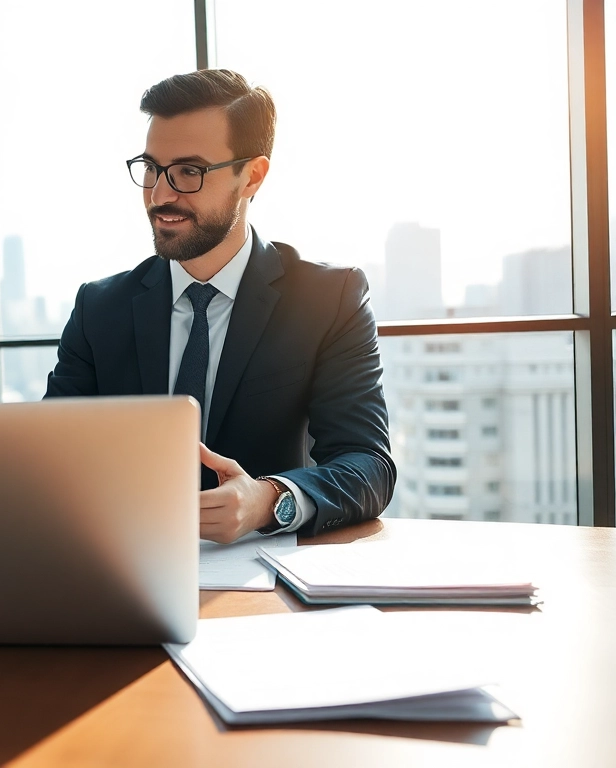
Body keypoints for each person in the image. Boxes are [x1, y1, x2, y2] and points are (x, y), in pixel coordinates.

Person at [44, 69, 395, 544]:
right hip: (123, 559)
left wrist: (270, 500)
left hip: (265, 575)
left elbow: (367, 462)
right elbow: (50, 455)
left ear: (252, 175)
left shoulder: (328, 298)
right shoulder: (98, 308)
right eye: (151, 168)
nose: (161, 194)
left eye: (189, 172)